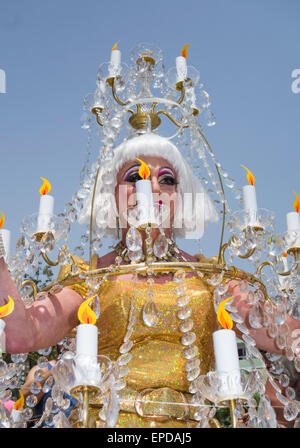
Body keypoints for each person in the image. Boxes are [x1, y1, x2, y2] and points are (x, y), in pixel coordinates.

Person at [0, 133, 298, 427]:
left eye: (167, 180)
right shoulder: (89, 277)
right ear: (112, 197)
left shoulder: (212, 277)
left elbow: (285, 334)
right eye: (134, 178)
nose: (152, 186)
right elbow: (24, 333)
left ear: (180, 198)